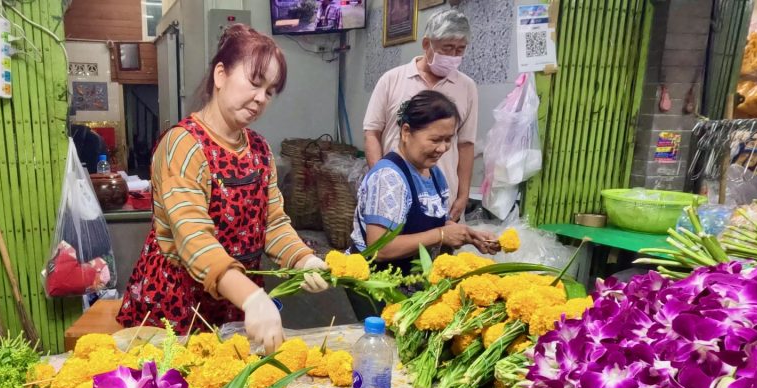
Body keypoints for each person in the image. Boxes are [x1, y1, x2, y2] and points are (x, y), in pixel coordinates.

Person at [117, 25, 328, 352]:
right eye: (255, 83)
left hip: (233, 305)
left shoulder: (258, 149)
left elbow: (271, 223)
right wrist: (253, 297)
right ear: (220, 75)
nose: (260, 98)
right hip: (178, 311)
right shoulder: (183, 146)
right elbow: (194, 239)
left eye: (270, 91)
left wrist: (302, 259)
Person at [350, 90, 497, 317]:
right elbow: (378, 247)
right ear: (407, 132)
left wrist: (466, 234)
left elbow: (427, 221)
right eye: (435, 139)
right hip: (377, 287)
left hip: (413, 285)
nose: (443, 148)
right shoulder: (389, 177)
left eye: (449, 139)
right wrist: (440, 235)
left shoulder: (433, 174)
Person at [363, 8, 477, 222]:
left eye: (460, 50)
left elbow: (466, 145)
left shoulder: (467, 87)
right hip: (396, 190)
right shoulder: (392, 79)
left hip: (443, 195)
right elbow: (372, 133)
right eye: (447, 48)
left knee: (440, 251)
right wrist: (379, 179)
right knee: (390, 247)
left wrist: (462, 195)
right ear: (427, 45)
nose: (453, 56)